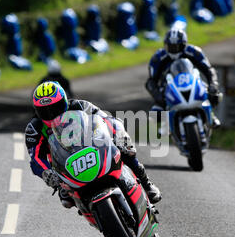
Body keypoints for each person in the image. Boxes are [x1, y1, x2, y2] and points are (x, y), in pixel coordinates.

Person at [25, 81, 162, 208]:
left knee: (126, 152)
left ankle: (146, 183)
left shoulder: (80, 105)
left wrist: (119, 135)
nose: (52, 115)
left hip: (93, 147)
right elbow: (36, 158)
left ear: (65, 102)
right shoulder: (34, 128)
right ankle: (90, 210)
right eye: (45, 112)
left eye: (56, 108)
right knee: (67, 201)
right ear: (37, 111)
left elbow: (106, 119)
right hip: (64, 164)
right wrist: (46, 172)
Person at [145, 28, 222, 128]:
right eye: (170, 46)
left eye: (177, 46)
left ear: (184, 45)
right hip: (168, 87)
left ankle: (211, 115)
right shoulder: (158, 57)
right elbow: (151, 81)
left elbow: (208, 69)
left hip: (192, 82)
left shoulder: (194, 52)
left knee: (214, 94)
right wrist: (157, 95)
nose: (174, 49)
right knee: (155, 113)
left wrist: (213, 83)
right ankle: (166, 125)